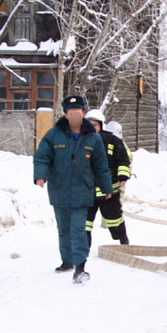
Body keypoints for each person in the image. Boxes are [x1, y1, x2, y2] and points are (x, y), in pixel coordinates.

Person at [34, 95, 113, 284]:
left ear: (83, 114)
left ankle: (80, 267)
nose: (75, 116)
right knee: (64, 229)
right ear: (66, 115)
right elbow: (42, 157)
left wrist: (106, 187)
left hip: (82, 191)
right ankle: (67, 261)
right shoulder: (54, 135)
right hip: (59, 190)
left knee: (78, 229)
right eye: (71, 113)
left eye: (78, 113)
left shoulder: (93, 138)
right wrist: (40, 175)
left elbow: (100, 165)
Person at [84, 110, 131, 246]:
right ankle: (82, 252)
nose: (92, 128)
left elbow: (123, 159)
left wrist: (122, 176)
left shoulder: (113, 141)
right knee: (83, 225)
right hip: (87, 192)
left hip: (109, 192)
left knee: (114, 220)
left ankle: (123, 242)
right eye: (89, 124)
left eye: (95, 125)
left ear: (101, 126)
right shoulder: (78, 141)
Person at [105, 121, 133, 201]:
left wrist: (122, 176)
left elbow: (125, 160)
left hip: (118, 178)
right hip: (114, 177)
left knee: (118, 199)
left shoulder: (120, 145)